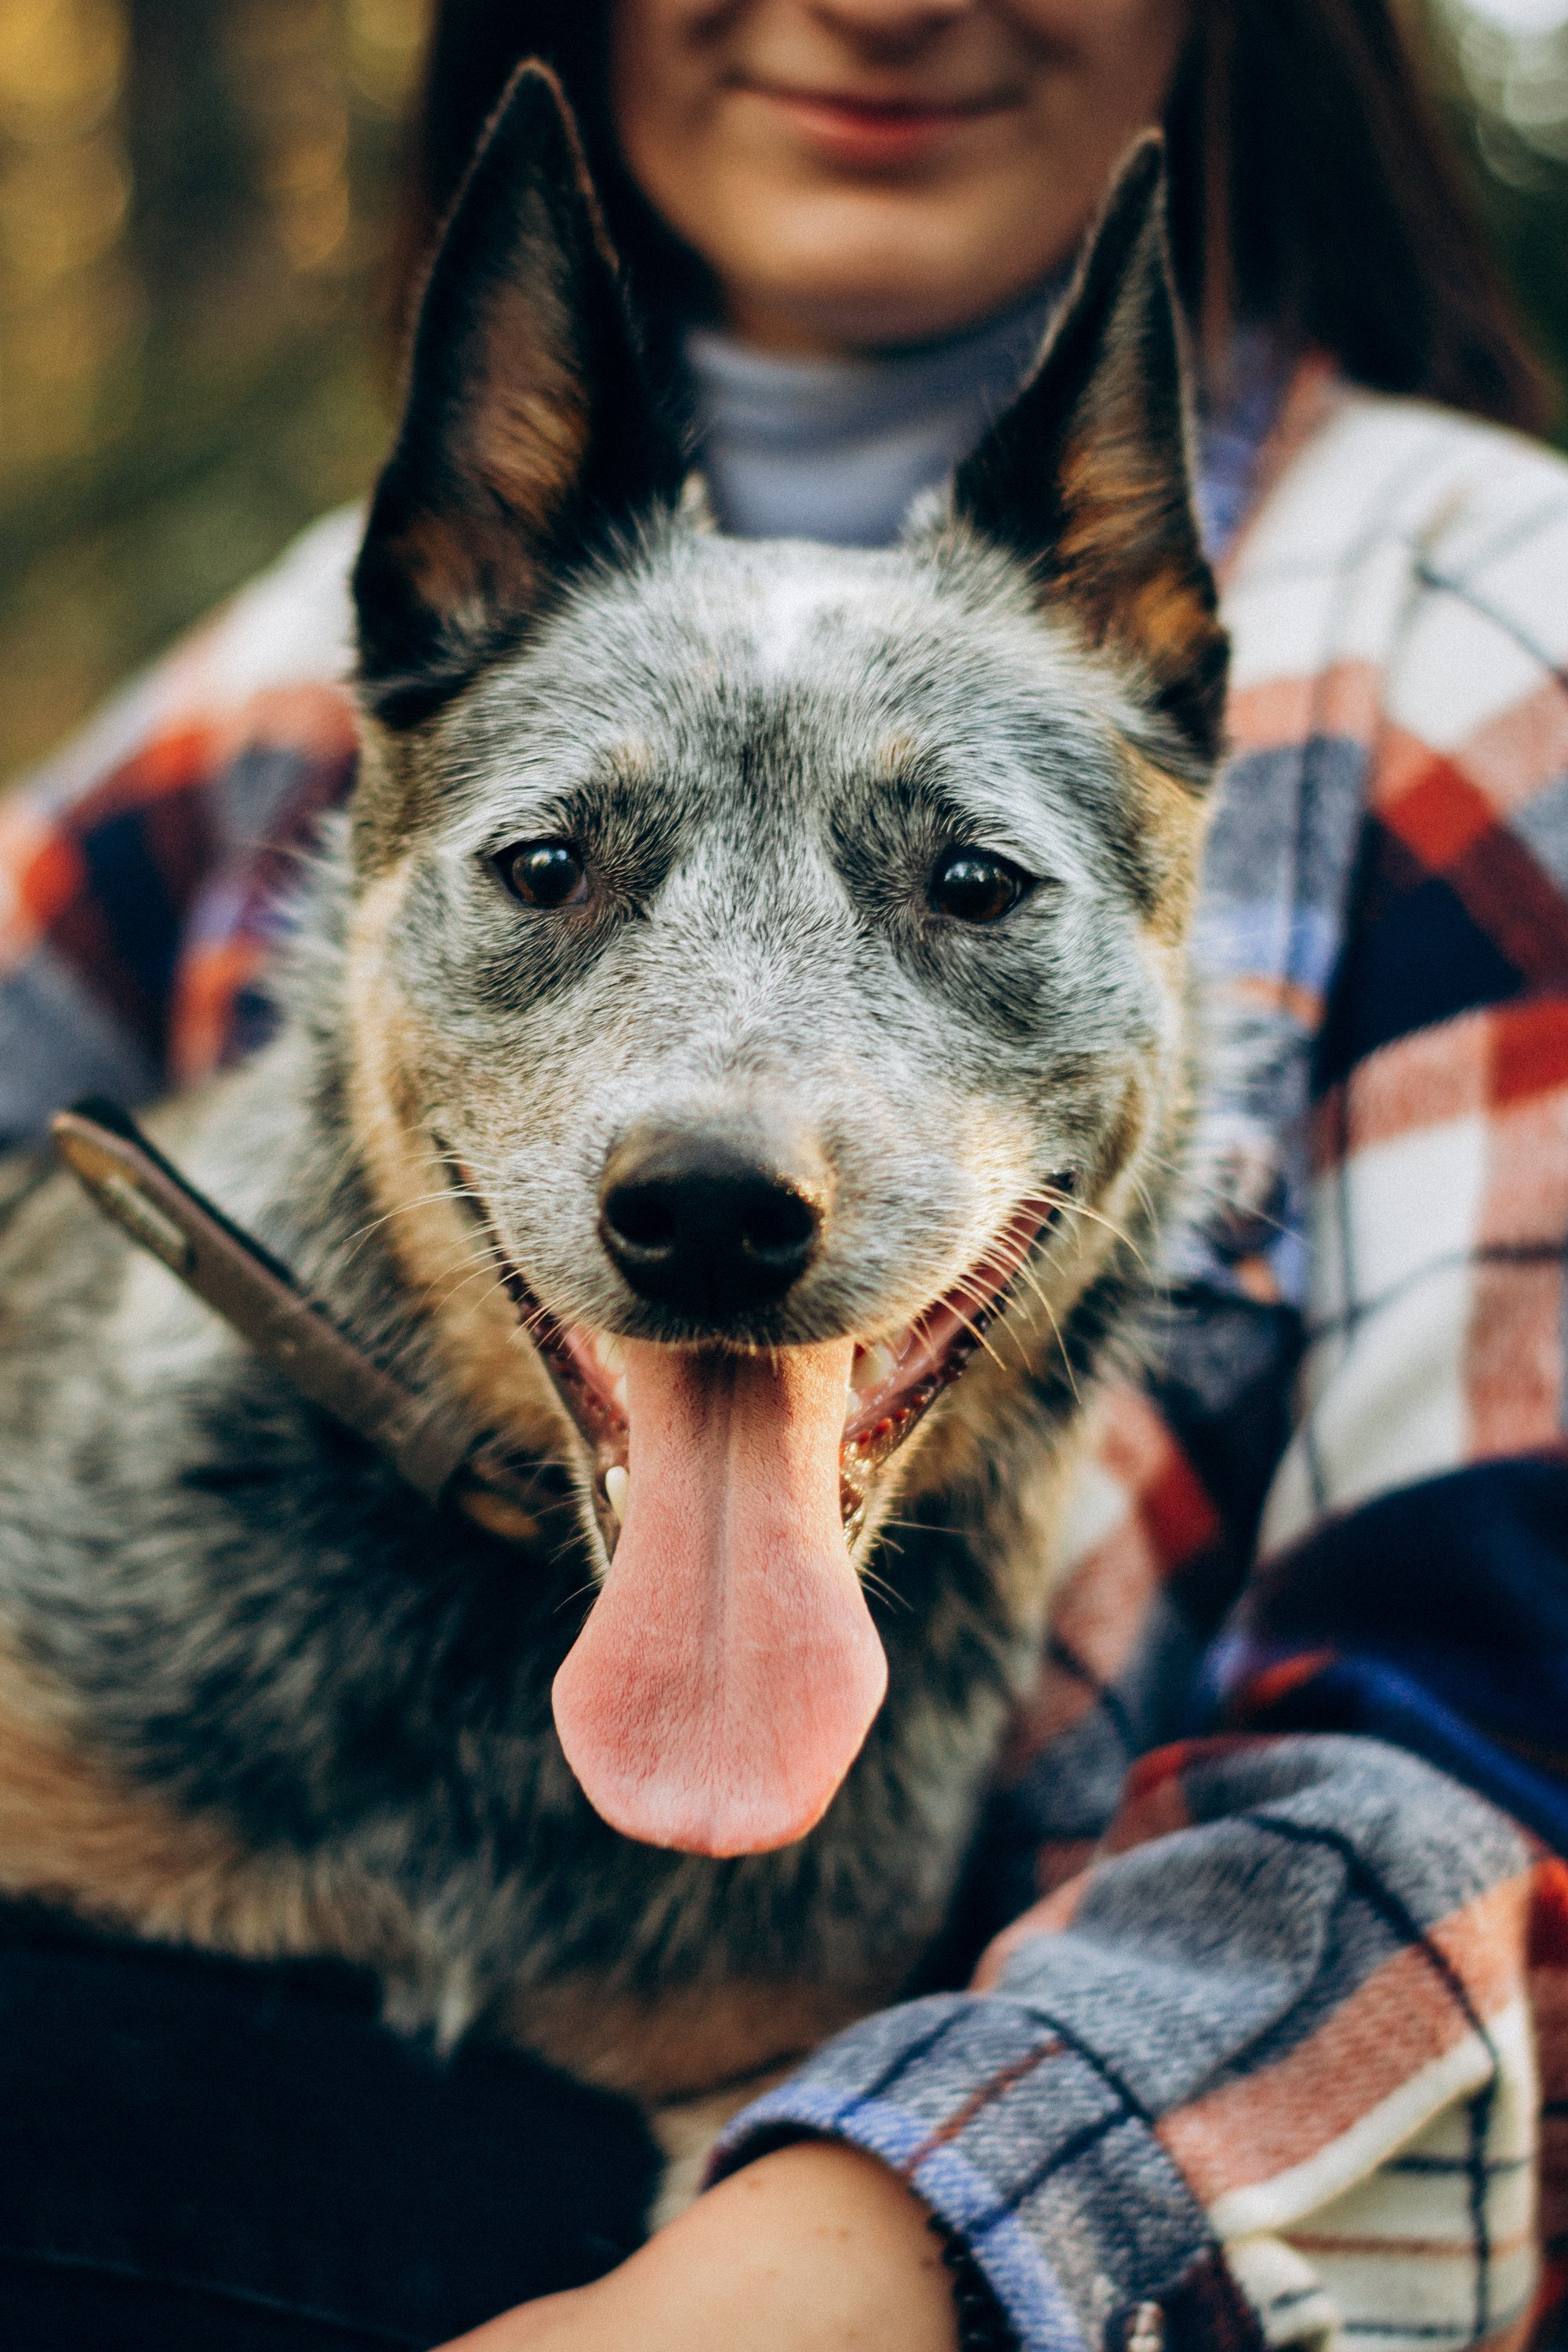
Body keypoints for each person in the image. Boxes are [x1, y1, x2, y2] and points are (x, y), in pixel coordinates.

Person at [2, 3, 1567, 2348]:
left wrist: (875, 2254)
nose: (727, 1140)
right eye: (550, 869)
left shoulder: (1495, 630)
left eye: (969, 889)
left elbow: (1503, 1721)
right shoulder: (311, 657)